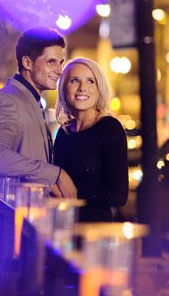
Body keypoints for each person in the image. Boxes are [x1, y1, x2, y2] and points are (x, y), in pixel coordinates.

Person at [0, 27, 77, 198]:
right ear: (27, 63)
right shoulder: (8, 101)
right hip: (14, 219)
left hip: (32, 215)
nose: (59, 70)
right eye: (51, 62)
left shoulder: (30, 101)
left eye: (60, 62)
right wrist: (56, 174)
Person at [54, 57, 129, 222]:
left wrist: (74, 192)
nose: (82, 88)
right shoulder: (63, 132)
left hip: (95, 233)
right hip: (63, 227)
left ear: (99, 88)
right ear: (63, 88)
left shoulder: (109, 127)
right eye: (74, 81)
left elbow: (119, 195)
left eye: (90, 81)